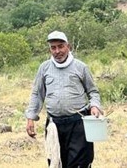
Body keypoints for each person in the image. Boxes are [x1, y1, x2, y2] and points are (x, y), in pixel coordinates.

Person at [25, 31, 102, 168]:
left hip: (78, 124)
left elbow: (93, 91)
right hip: (54, 124)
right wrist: (31, 117)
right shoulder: (44, 68)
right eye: (53, 47)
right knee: (56, 163)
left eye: (61, 46)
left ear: (69, 47)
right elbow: (37, 94)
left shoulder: (81, 67)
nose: (57, 51)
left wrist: (95, 105)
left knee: (80, 163)